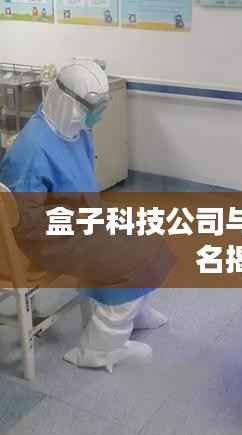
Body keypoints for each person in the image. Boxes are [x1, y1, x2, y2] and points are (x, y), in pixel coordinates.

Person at [0, 60, 168, 373]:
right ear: (69, 103)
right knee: (126, 259)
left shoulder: (74, 130)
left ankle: (134, 311)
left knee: (147, 236)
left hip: (79, 222)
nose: (98, 114)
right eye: (94, 107)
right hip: (46, 241)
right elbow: (26, 227)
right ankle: (99, 350)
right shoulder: (33, 151)